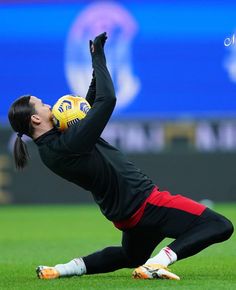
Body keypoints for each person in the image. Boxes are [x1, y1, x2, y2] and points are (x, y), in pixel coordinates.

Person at [8, 32, 233, 281]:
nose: (48, 105)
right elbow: (107, 100)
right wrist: (100, 58)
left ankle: (60, 269)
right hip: (145, 202)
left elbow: (89, 105)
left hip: (125, 215)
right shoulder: (67, 143)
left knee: (130, 256)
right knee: (219, 225)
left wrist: (95, 63)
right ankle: (158, 263)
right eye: (41, 104)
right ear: (35, 118)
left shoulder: (54, 146)